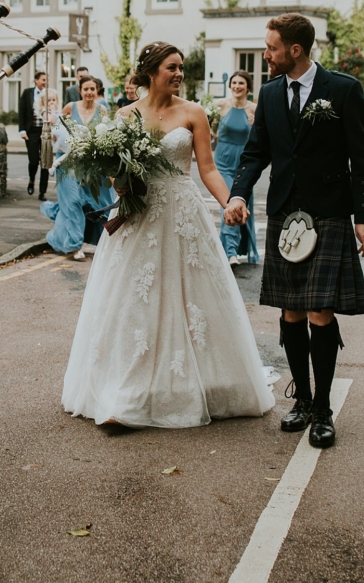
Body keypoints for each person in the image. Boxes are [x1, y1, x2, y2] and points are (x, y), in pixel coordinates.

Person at [61, 43, 275, 428]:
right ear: (151, 71)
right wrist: (119, 183)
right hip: (138, 215)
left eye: (181, 68)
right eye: (171, 67)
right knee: (133, 300)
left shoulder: (194, 113)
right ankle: (125, 392)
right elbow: (113, 170)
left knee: (189, 296)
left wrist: (230, 201)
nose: (178, 74)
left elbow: (207, 169)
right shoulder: (125, 115)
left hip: (182, 213)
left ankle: (206, 383)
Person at [224, 13, 364, 450]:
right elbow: (255, 155)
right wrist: (238, 195)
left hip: (328, 213)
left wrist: (363, 218)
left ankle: (324, 409)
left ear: (295, 50)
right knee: (290, 311)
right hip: (286, 212)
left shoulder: (343, 90)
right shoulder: (270, 94)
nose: (265, 55)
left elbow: (361, 159)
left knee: (319, 311)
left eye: (270, 48)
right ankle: (303, 399)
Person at [41, 73, 113, 260]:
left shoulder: (103, 110)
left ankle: (98, 241)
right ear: (80, 91)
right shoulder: (69, 107)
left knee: (95, 204)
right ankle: (74, 245)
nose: (89, 92)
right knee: (72, 201)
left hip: (91, 164)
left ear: (97, 91)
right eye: (86, 89)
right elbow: (56, 130)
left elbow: (106, 137)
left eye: (92, 89)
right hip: (67, 161)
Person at [214, 71, 260, 266]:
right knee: (229, 203)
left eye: (241, 83)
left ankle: (232, 249)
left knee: (243, 207)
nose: (237, 86)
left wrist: (255, 126)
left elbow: (262, 138)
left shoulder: (255, 109)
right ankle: (231, 252)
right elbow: (207, 127)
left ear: (248, 87)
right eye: (234, 83)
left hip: (243, 163)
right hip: (223, 162)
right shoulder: (220, 105)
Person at [18, 71, 50, 199]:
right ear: (36, 80)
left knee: (45, 162)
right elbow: (21, 112)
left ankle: (42, 192)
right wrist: (22, 130)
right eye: (43, 80)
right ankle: (31, 180)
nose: (45, 82)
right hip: (31, 131)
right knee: (33, 161)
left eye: (46, 80)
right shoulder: (27, 93)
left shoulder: (50, 94)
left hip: (45, 131)